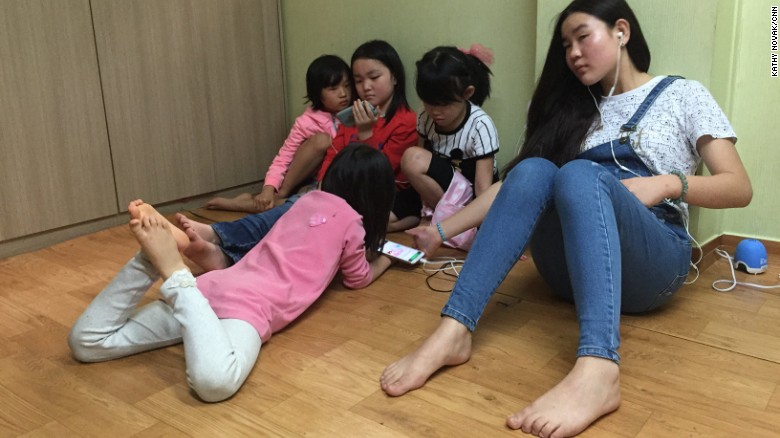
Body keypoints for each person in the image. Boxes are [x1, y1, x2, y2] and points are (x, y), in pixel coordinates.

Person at [380, 1, 752, 437]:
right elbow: (514, 191)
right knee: (534, 169)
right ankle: (453, 330)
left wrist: (668, 185)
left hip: (653, 259)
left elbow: (738, 187)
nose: (572, 53)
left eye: (582, 36)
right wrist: (439, 230)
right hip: (568, 272)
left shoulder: (683, 94)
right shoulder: (573, 108)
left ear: (621, 31)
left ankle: (598, 369)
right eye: (565, 44)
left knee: (579, 174)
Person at [68, 144, 396, 403]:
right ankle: (173, 272)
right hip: (250, 309)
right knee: (215, 383)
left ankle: (150, 261)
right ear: (377, 196)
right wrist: (385, 260)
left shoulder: (305, 202)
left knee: (87, 343)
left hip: (213, 287)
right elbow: (357, 278)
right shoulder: (353, 223)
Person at [178, 40, 417, 271]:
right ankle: (222, 247)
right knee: (293, 215)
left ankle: (221, 239)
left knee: (297, 214)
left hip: (367, 199)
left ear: (394, 77)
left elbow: (378, 175)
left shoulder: (405, 121)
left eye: (374, 78)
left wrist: (366, 134)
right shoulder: (351, 115)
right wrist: (324, 183)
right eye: (358, 80)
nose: (365, 87)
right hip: (334, 193)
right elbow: (333, 157)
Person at [204, 55, 353, 213]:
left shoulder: (356, 114)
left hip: (326, 183)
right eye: (333, 88)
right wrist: (269, 189)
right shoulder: (306, 122)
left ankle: (247, 204)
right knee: (322, 141)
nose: (343, 93)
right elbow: (284, 157)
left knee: (311, 206)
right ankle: (276, 196)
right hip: (303, 179)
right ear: (317, 92)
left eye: (347, 86)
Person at [393, 45, 499, 249]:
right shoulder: (425, 118)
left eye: (444, 104)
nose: (435, 111)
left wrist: (491, 233)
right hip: (436, 194)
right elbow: (422, 169)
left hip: (469, 199)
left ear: (467, 93)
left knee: (411, 158)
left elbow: (483, 190)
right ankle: (434, 220)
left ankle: (452, 225)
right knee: (385, 219)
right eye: (428, 102)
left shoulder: (480, 125)